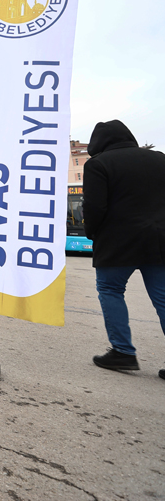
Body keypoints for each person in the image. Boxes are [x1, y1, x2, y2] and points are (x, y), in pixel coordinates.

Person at [82, 120, 165, 379]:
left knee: (111, 290)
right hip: (160, 241)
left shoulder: (98, 164)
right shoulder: (160, 159)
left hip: (117, 243)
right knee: (163, 298)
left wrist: (91, 233)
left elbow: (94, 207)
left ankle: (123, 352)